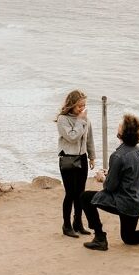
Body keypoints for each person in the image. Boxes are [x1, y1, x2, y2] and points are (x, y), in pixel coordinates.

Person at [80, 114, 139, 254]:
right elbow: (131, 176)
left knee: (85, 197)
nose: (118, 126)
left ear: (122, 133)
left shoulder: (117, 156)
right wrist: (111, 173)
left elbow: (110, 187)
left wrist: (102, 178)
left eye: (120, 125)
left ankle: (100, 238)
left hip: (124, 202)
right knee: (128, 237)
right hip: (138, 202)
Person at [56, 90, 95, 238]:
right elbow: (72, 137)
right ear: (71, 105)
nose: (82, 108)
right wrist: (80, 121)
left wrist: (92, 157)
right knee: (70, 193)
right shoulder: (63, 119)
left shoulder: (85, 119)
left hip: (82, 158)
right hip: (67, 159)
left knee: (81, 193)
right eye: (79, 106)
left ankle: (78, 223)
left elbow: (89, 138)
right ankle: (66, 225)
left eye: (84, 105)